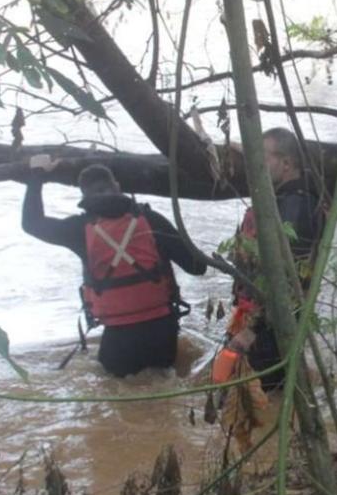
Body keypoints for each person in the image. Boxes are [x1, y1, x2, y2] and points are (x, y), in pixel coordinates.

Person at [22, 158, 206, 376]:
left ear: (84, 196)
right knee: (162, 380)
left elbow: (31, 223)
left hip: (117, 339)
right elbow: (197, 267)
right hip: (162, 334)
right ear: (117, 187)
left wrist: (37, 175)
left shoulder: (78, 229)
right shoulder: (152, 220)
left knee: (121, 394)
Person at [215, 127, 325, 390]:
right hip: (263, 323)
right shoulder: (283, 201)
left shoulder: (295, 209)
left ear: (286, 164)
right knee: (238, 393)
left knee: (248, 402)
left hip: (269, 329)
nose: (256, 165)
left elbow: (288, 279)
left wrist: (253, 328)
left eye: (262, 158)